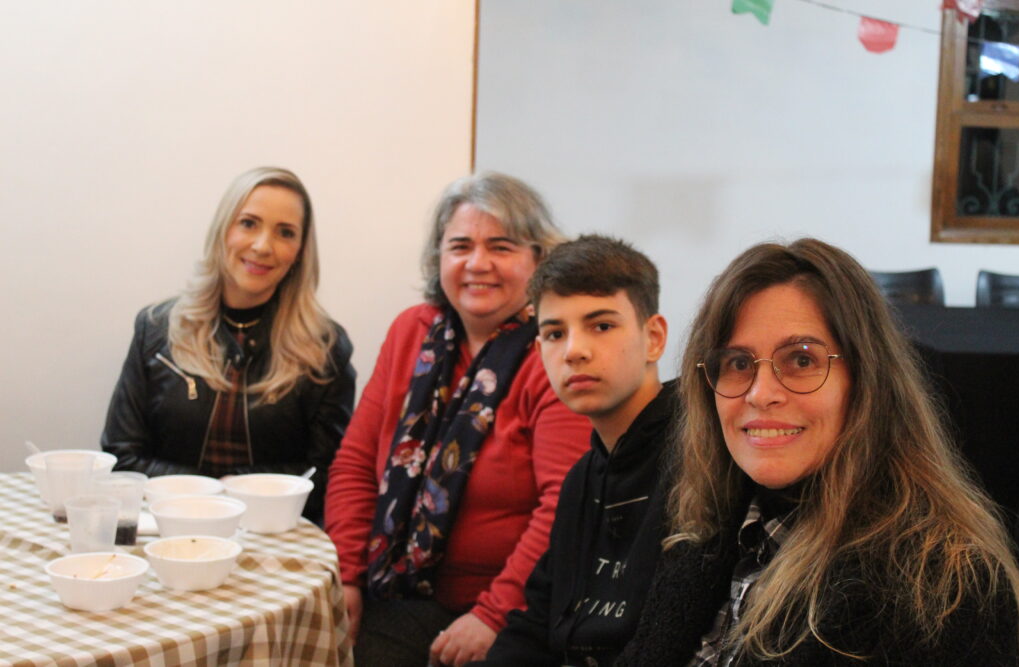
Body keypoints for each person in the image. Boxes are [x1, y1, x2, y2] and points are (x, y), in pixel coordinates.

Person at [618, 238, 1019, 665]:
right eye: (738, 363)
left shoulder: (943, 592)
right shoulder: (706, 536)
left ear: (865, 382)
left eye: (801, 360)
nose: (760, 394)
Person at [323, 172, 592, 667]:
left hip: (512, 608)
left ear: (539, 259)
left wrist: (493, 614)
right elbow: (356, 464)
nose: (477, 264)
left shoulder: (553, 349)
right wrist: (347, 576)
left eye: (501, 247)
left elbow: (565, 505)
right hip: (396, 589)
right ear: (439, 257)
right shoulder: (411, 331)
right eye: (460, 246)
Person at [101, 166, 355, 523]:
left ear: (300, 251)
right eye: (248, 223)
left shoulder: (324, 347)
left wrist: (235, 491)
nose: (262, 246)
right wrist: (211, 494)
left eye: (285, 232)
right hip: (166, 527)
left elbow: (328, 475)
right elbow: (121, 459)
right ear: (223, 230)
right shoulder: (157, 328)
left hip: (273, 534)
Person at [477, 235, 675, 666]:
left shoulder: (700, 458)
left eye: (601, 326)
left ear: (654, 338)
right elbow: (536, 621)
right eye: (554, 333)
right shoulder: (581, 480)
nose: (574, 351)